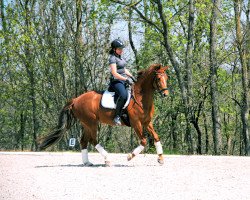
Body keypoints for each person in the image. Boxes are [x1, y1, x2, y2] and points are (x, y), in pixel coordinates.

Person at [108, 39, 135, 125]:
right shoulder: (112, 58)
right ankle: (117, 116)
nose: (121, 50)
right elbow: (115, 73)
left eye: (122, 49)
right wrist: (126, 79)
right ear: (114, 49)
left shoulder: (121, 58)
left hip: (123, 80)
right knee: (123, 95)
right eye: (119, 49)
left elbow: (124, 69)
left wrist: (132, 76)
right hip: (116, 81)